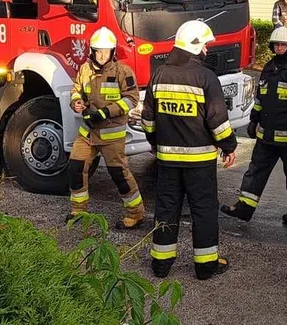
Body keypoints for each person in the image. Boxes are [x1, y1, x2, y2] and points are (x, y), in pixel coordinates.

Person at [142, 19, 237, 280]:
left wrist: (155, 143)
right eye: (205, 45)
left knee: (166, 208)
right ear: (196, 46)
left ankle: (161, 264)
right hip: (200, 160)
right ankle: (206, 266)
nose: (207, 49)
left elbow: (147, 119)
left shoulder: (159, 74)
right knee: (204, 210)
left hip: (167, 159)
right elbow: (217, 121)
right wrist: (228, 146)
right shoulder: (205, 77)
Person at [221, 26, 287, 224]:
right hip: (265, 136)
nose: (279, 48)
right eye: (276, 45)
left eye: (283, 45)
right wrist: (254, 119)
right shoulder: (268, 69)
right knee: (255, 170)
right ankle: (244, 207)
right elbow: (260, 99)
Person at [67, 27, 144, 228]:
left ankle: (135, 213)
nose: (101, 55)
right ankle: (78, 211)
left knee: (119, 173)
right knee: (76, 168)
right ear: (92, 51)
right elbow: (76, 90)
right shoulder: (85, 69)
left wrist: (106, 112)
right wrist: (76, 101)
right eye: (98, 51)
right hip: (87, 132)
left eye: (106, 51)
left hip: (112, 134)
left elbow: (131, 99)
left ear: (112, 52)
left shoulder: (122, 72)